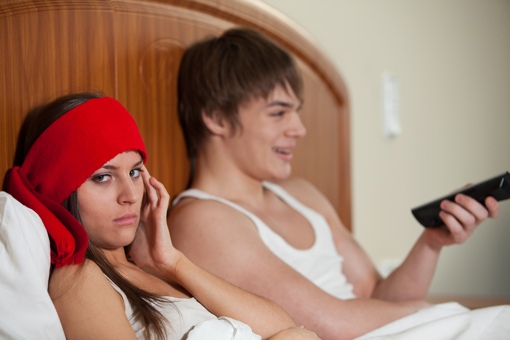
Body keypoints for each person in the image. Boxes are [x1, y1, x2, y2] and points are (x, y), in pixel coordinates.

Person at [168, 27, 503, 340]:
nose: (299, 129)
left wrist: (431, 243)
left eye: (296, 112)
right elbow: (332, 325)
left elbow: (377, 297)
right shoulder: (202, 220)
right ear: (215, 117)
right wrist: (426, 310)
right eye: (278, 113)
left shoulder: (301, 194)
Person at [3, 93, 320, 340]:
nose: (130, 194)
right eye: (102, 177)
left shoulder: (159, 269)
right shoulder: (79, 280)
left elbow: (280, 324)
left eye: (135, 171)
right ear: (61, 190)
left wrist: (172, 261)